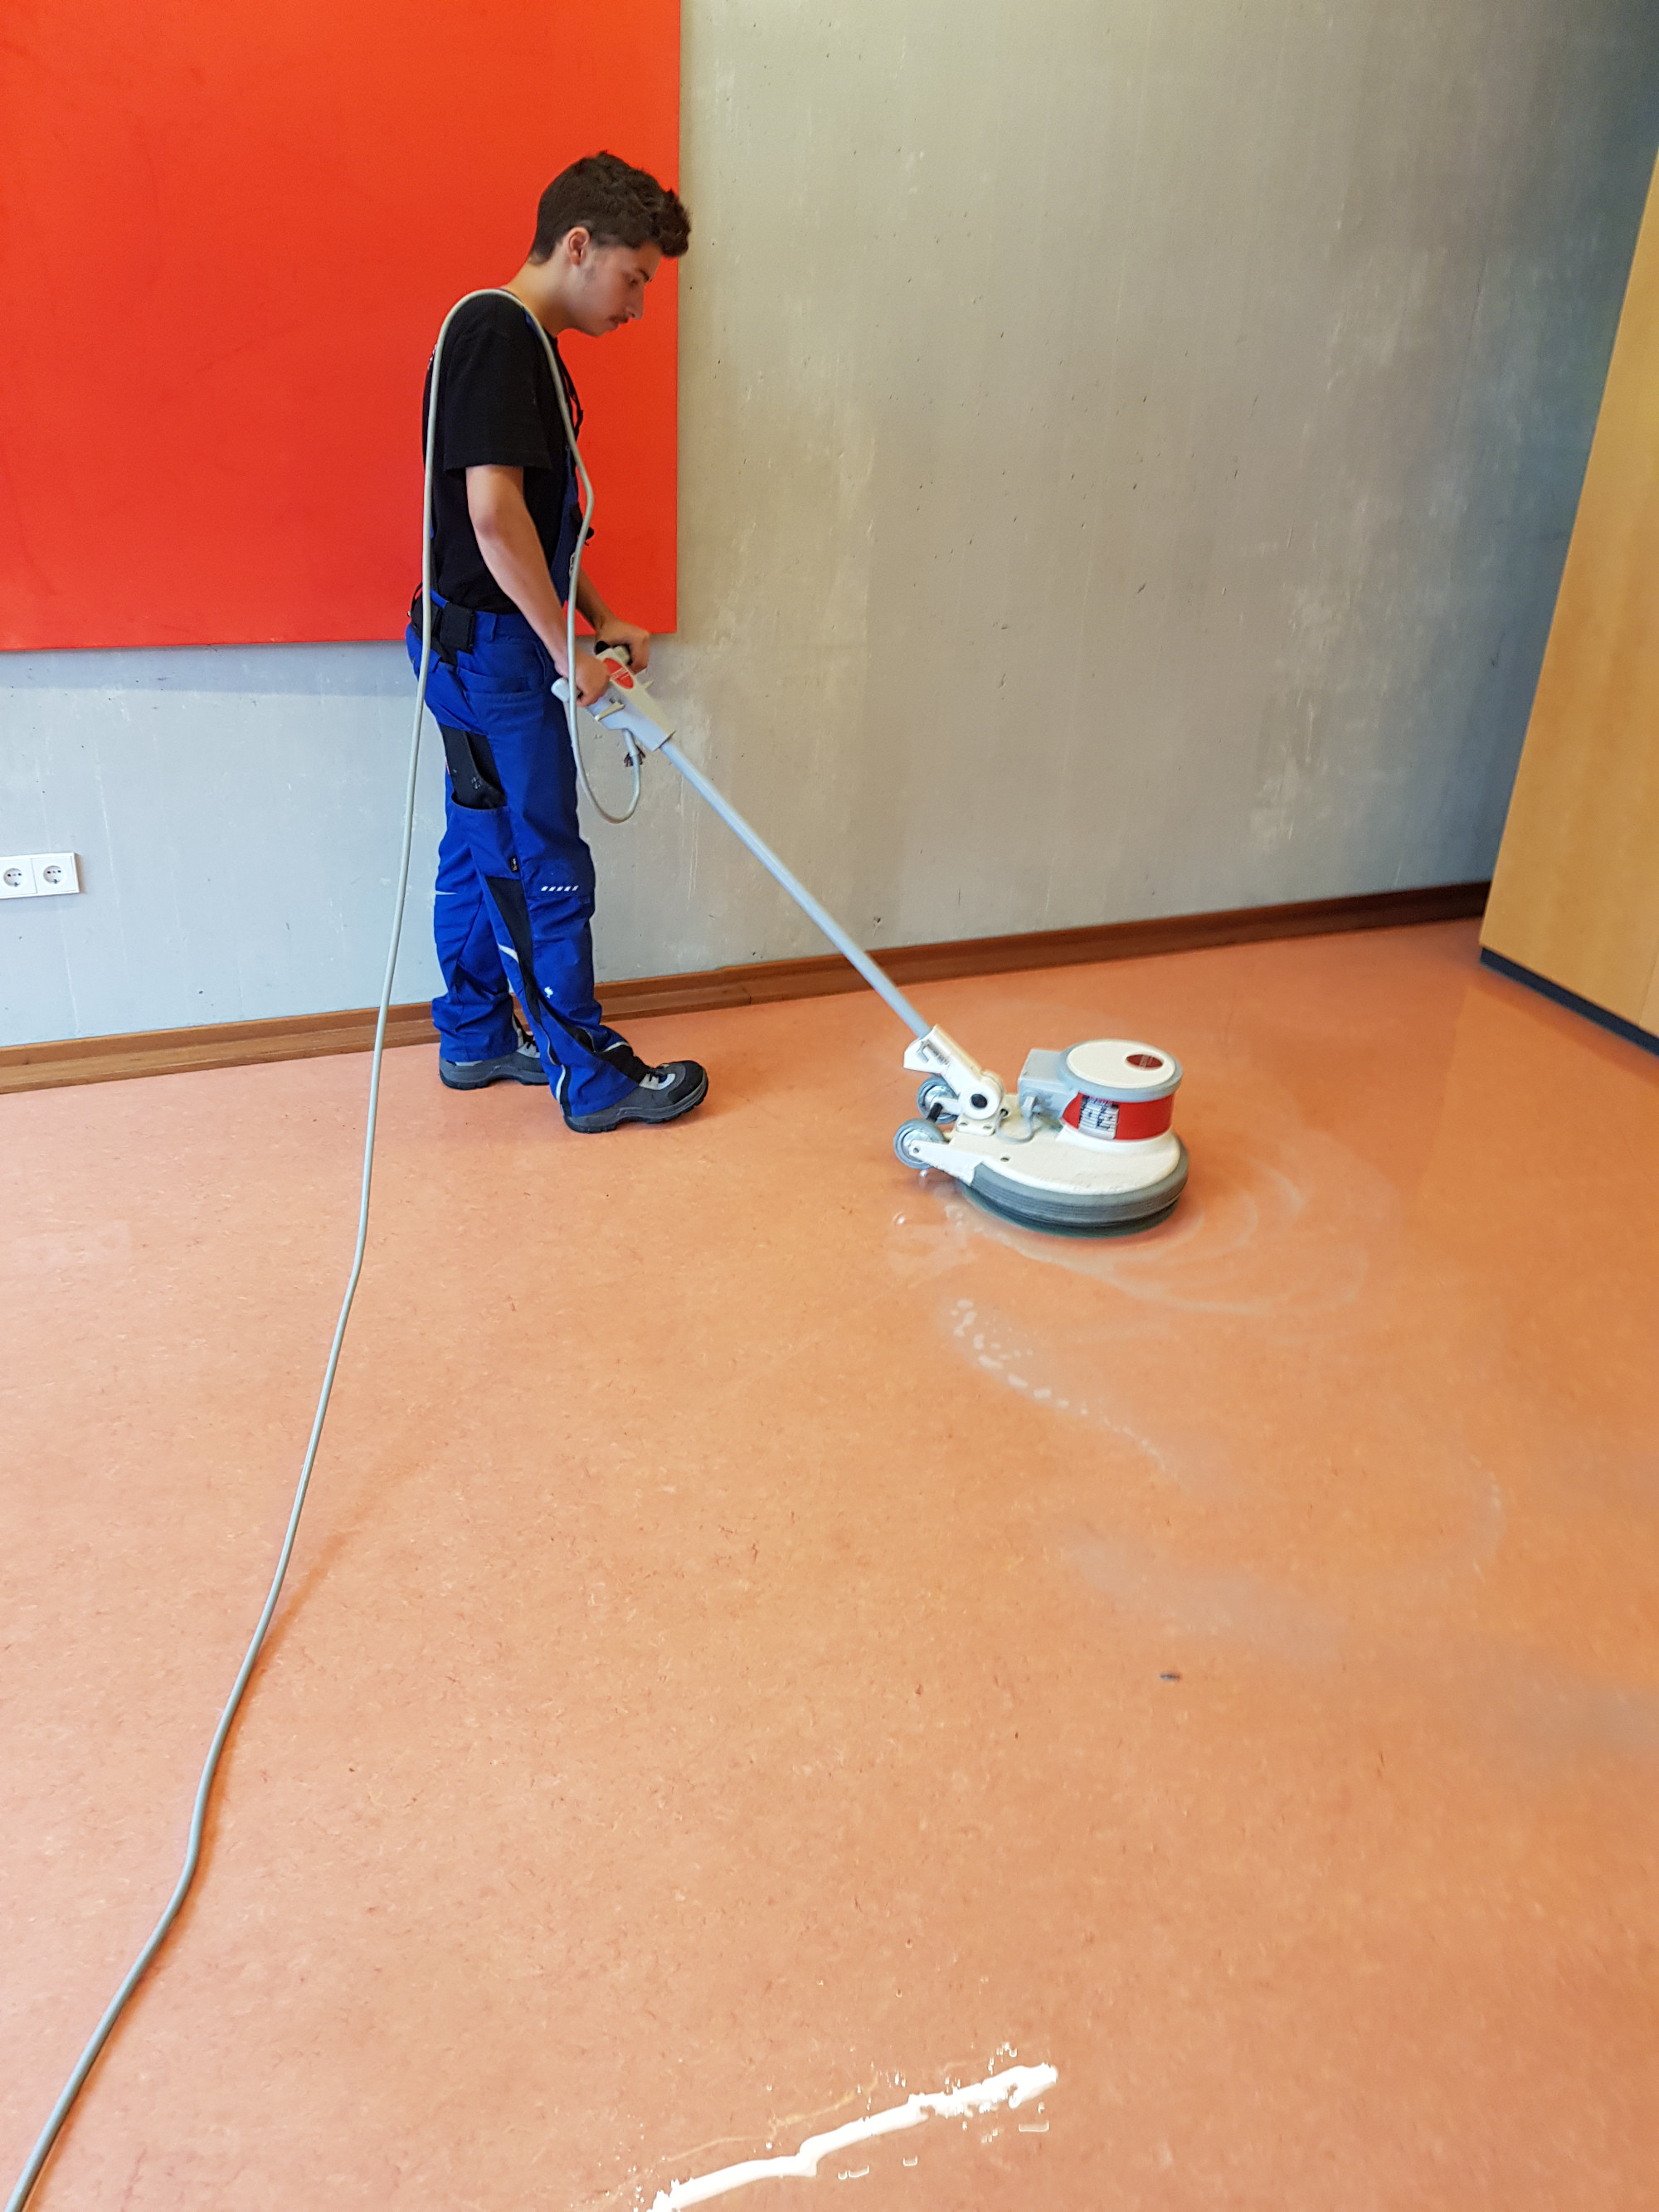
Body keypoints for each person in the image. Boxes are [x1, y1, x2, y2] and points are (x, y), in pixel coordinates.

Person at [406, 153, 707, 1132]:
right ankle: (591, 1076)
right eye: (634, 278)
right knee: (542, 859)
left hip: (471, 643)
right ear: (577, 245)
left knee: (476, 845)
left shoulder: (520, 342)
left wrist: (598, 612)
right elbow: (492, 521)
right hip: (492, 656)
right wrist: (562, 651)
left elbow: (534, 528)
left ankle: (474, 1035)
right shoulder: (497, 334)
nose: (638, 306)